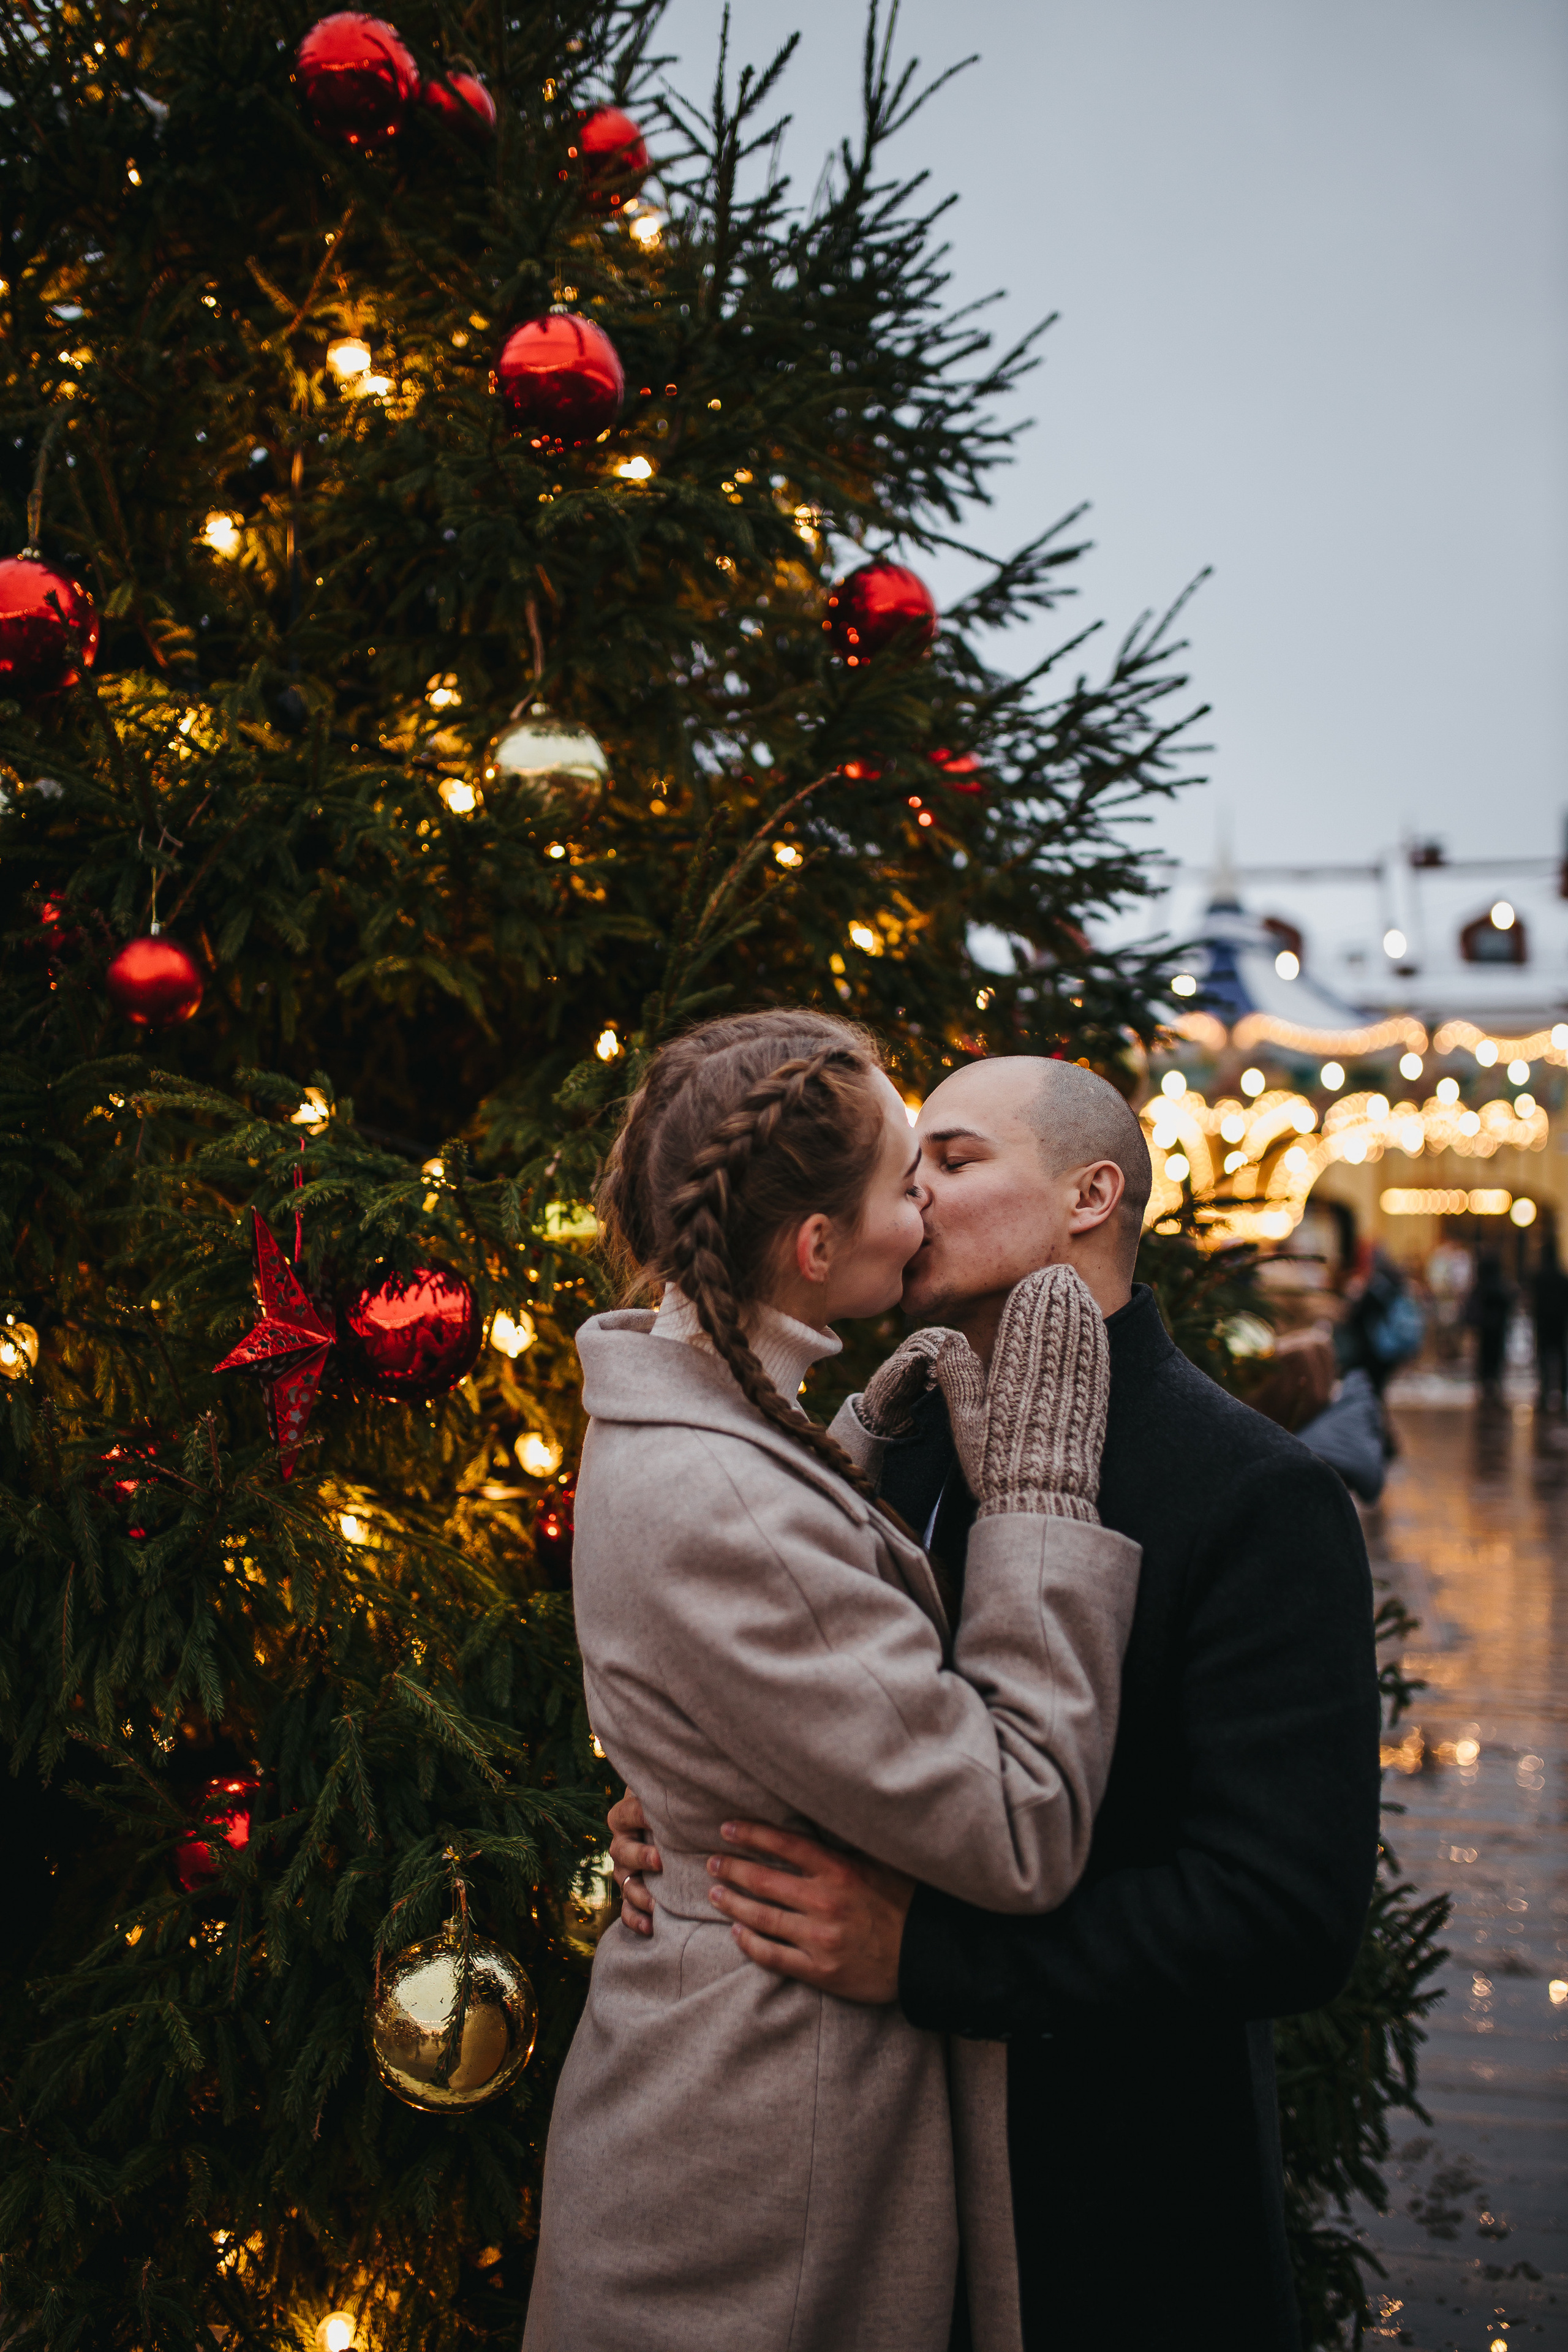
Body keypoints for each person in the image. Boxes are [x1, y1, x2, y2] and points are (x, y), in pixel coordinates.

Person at [612, 1054, 1382, 2352]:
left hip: (1109, 2207)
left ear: (1091, 1194)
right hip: (865, 2203)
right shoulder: (881, 1440)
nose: (902, 1200)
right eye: (900, 1168)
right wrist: (683, 1821)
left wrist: (926, 1958)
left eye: (951, 1161)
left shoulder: (1250, 1492)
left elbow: (1282, 1916)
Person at [524, 1014, 1142, 2352]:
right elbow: (1016, 1822)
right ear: (815, 1248)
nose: (921, 1204)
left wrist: (857, 1433)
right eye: (904, 1177)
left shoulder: (705, 1412)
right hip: (759, 2145)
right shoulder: (727, 1492)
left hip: (728, 2077)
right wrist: (1037, 1509)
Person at [1468, 1249, 1514, 1403]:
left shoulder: (1481, 1286)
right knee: (1495, 1357)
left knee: (1484, 1356)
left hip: (1485, 1327)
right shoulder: (1501, 1285)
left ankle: (1486, 1384)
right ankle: (1493, 1383)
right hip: (1498, 1327)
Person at [1532, 1231, 1568, 1410]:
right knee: (1561, 1356)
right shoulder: (1562, 1278)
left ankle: (1545, 1389)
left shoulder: (1539, 1278)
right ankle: (1562, 1390)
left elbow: (1534, 1301)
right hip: (1559, 1323)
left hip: (1544, 1323)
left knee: (1544, 1357)